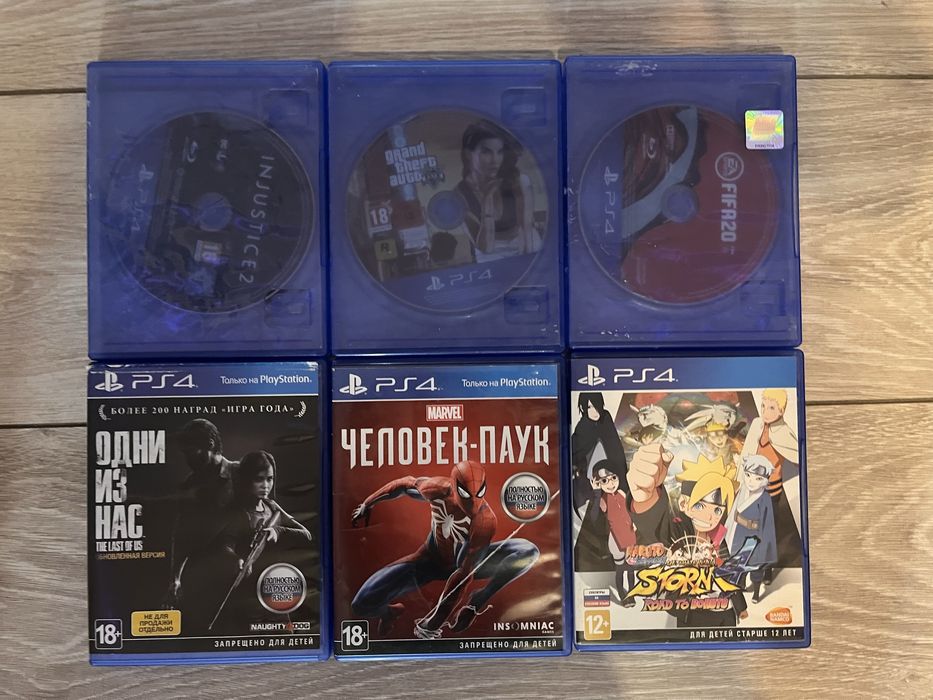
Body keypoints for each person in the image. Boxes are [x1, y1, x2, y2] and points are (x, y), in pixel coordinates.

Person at [350, 460, 539, 639]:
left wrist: (434, 622)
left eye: (479, 493)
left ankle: (479, 599)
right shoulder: (437, 488)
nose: (473, 503)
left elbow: (464, 575)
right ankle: (390, 613)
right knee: (361, 604)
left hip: (467, 563)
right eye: (466, 494)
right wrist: (368, 503)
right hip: (429, 561)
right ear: (454, 487)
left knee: (528, 551)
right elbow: (404, 484)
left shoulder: (484, 521)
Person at [626, 445, 748, 627]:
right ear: (684, 504)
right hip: (691, 613)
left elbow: (729, 575)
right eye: (699, 506)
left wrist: (740, 607)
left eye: (717, 510)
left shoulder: (719, 537)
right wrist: (645, 499)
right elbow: (658, 529)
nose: (709, 517)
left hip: (724, 612)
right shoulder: (679, 529)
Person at [455, 120, 539, 262]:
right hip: (490, 251)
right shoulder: (459, 195)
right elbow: (486, 248)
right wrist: (487, 200)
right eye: (486, 152)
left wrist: (528, 264)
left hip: (524, 242)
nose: (495, 160)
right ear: (468, 154)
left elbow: (526, 230)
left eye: (500, 152)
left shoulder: (519, 181)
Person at [741, 389, 801, 579]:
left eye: (772, 408)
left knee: (767, 531)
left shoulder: (784, 433)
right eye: (763, 406)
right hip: (751, 487)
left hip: (771, 491)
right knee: (748, 528)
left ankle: (765, 569)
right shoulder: (757, 424)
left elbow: (798, 456)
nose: (765, 412)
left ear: (781, 410)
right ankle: (749, 565)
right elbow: (746, 453)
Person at [577, 459, 637, 604]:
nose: (610, 483)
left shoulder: (622, 493)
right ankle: (623, 597)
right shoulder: (603, 499)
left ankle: (632, 594)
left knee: (631, 568)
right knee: (620, 569)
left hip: (630, 536)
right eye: (604, 480)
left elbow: (630, 510)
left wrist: (634, 522)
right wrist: (597, 493)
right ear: (598, 483)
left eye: (613, 478)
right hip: (616, 539)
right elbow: (594, 516)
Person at [726, 455, 777, 603]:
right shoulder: (742, 491)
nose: (751, 481)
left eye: (758, 478)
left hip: (756, 537)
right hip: (740, 534)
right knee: (740, 562)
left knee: (755, 566)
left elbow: (767, 523)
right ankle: (741, 583)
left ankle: (756, 591)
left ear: (765, 480)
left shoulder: (765, 498)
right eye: (748, 475)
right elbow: (733, 513)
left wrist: (765, 545)